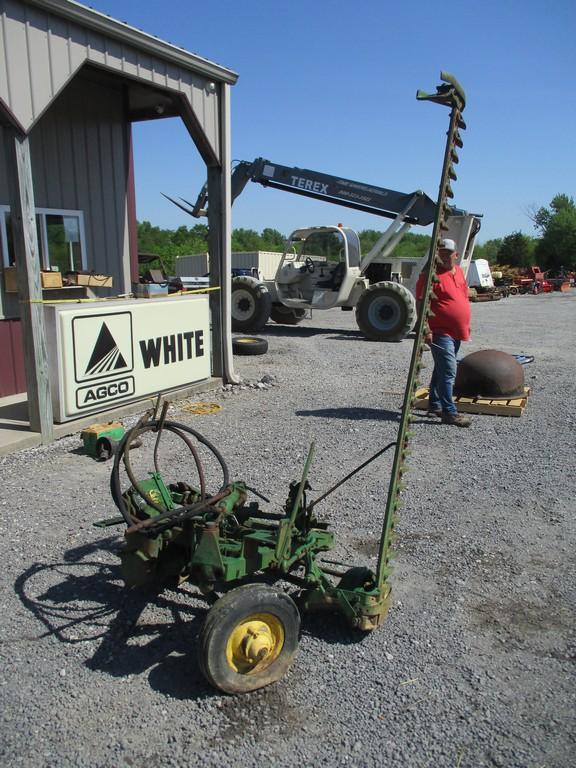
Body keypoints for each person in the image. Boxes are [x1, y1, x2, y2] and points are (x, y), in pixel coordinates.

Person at [416, 238, 472, 427]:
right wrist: (426, 328)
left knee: (441, 368)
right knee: (449, 369)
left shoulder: (459, 272)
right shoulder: (430, 276)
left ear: (456, 254)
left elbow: (463, 297)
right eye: (442, 253)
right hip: (440, 331)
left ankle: (435, 404)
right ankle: (449, 412)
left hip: (457, 331)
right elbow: (420, 301)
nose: (445, 257)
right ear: (436, 255)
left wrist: (465, 323)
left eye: (449, 253)